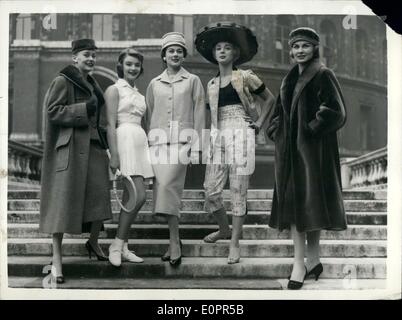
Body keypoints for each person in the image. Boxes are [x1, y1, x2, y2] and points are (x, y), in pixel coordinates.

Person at [266, 27, 347, 289]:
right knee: (296, 209)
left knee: (309, 206)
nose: (300, 50)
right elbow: (278, 110)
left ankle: (306, 262)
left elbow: (336, 111)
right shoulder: (289, 78)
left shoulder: (323, 74)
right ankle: (305, 262)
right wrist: (275, 129)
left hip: (315, 154)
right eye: (296, 46)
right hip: (289, 155)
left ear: (315, 48)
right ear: (290, 50)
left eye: (305, 46)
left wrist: (310, 129)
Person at [195, 22, 275, 264]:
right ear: (213, 53)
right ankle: (224, 228)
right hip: (218, 133)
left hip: (241, 130)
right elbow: (211, 114)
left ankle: (234, 242)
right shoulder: (210, 84)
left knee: (238, 189)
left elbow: (269, 99)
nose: (221, 51)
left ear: (235, 53)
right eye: (218, 48)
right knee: (211, 190)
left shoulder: (246, 77)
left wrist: (259, 124)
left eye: (227, 47)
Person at [39, 39, 112, 284]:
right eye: (85, 55)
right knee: (62, 205)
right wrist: (83, 108)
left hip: (94, 149)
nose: (90, 59)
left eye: (93, 55)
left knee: (99, 197)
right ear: (74, 58)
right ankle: (57, 260)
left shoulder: (91, 83)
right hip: (70, 150)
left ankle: (93, 242)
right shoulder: (64, 80)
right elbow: (53, 111)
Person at [145, 32, 206, 267]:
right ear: (164, 55)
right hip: (158, 144)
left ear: (184, 55)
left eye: (179, 51)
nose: (175, 54)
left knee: (169, 187)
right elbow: (150, 113)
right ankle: (173, 241)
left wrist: (197, 147)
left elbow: (200, 113)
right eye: (171, 50)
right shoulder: (154, 84)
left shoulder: (192, 81)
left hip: (182, 143)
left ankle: (174, 242)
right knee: (164, 192)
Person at [105, 48, 154, 267]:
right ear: (121, 66)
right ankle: (116, 245)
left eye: (136, 65)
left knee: (132, 197)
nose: (132, 68)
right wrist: (114, 154)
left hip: (139, 142)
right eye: (129, 64)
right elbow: (109, 124)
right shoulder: (114, 90)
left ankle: (122, 246)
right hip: (123, 140)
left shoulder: (140, 95)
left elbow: (145, 123)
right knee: (138, 196)